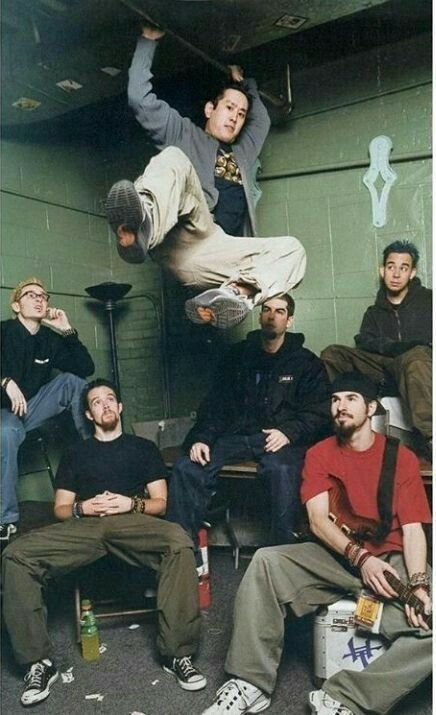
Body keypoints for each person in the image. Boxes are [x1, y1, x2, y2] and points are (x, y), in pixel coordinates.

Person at [201, 371, 431, 715]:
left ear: (371, 408)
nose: (340, 406)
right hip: (336, 556)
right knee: (266, 562)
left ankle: (343, 698)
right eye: (335, 399)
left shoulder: (401, 458)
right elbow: (318, 521)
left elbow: (413, 529)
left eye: (351, 399)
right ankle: (250, 682)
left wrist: (419, 583)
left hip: (390, 561)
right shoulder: (320, 453)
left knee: (431, 621)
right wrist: (361, 559)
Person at [2, 379, 206, 707]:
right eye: (97, 402)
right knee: (16, 554)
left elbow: (161, 503)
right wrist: (84, 507)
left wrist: (130, 504)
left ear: (120, 407)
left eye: (110, 399)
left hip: (131, 521)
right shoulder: (75, 454)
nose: (105, 405)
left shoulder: (143, 448)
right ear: (88, 414)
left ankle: (177, 654)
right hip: (86, 526)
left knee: (179, 542)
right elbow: (61, 509)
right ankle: (38, 662)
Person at [106, 23, 306, 329]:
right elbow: (139, 98)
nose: (235, 117)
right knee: (174, 158)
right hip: (184, 236)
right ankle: (140, 225)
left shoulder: (243, 153)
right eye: (229, 107)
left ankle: (235, 295)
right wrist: (148, 41)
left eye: (241, 113)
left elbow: (262, 120)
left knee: (293, 249)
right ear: (210, 109)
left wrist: (244, 83)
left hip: (218, 253)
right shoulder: (183, 132)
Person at [166, 294, 331, 549]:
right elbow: (216, 404)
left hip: (279, 439)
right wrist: (202, 438)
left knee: (281, 470)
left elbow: (319, 411)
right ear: (260, 315)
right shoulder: (237, 355)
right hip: (236, 437)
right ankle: (181, 553)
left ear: (289, 320)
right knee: (187, 466)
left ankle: (282, 555)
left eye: (280, 311)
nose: (272, 316)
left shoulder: (306, 363)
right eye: (267, 309)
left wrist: (288, 432)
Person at [1, 277, 95, 542]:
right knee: (6, 432)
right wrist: (4, 381)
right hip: (3, 413)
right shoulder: (4, 331)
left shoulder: (49, 339)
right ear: (16, 306)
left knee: (73, 382)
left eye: (43, 296)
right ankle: (5, 520)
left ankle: (96, 458)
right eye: (31, 295)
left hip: (30, 408)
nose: (39, 299)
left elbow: (85, 368)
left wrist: (67, 330)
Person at [321, 240, 432, 459]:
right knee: (332, 354)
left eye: (403, 268)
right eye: (391, 267)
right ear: (382, 271)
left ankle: (431, 437)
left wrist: (407, 347)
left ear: (412, 273)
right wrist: (393, 346)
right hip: (384, 370)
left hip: (419, 367)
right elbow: (365, 341)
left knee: (415, 357)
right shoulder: (374, 311)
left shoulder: (429, 301)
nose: (396, 274)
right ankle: (340, 427)